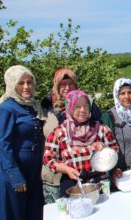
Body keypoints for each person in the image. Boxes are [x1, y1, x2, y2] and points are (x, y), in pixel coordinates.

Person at [43, 90, 118, 220]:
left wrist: (108, 164)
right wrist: (65, 169)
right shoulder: (59, 132)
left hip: (98, 183)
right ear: (69, 108)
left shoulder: (101, 129)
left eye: (85, 106)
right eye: (77, 106)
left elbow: (113, 150)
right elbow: (49, 159)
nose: (82, 110)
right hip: (72, 185)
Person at [0, 65, 47, 220]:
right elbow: (4, 145)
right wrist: (15, 176)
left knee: (31, 214)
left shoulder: (32, 106)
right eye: (21, 83)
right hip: (11, 171)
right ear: (11, 84)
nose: (26, 87)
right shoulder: (6, 108)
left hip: (32, 170)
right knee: (12, 219)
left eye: (29, 82)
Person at [41, 67, 102, 203]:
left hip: (86, 173)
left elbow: (100, 133)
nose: (67, 87)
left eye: (70, 83)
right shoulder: (45, 107)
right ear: (56, 85)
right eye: (63, 84)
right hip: (54, 176)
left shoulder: (88, 105)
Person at [102, 78, 131, 184]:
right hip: (124, 174)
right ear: (117, 96)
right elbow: (106, 147)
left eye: (130, 92)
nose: (127, 97)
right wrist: (113, 169)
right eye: (122, 93)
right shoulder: (109, 117)